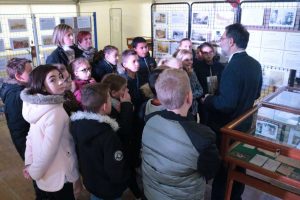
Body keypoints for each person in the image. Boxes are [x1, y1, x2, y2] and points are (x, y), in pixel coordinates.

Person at [202, 23, 263, 200]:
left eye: (221, 38)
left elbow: (225, 104)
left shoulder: (232, 67)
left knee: (224, 169)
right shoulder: (255, 64)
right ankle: (236, 196)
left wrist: (208, 100)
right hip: (244, 124)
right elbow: (257, 93)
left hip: (228, 127)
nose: (219, 42)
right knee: (240, 163)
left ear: (231, 41)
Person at [141, 68, 220, 200]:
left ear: (160, 97)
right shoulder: (202, 137)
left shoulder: (150, 120)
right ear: (189, 97)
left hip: (151, 193)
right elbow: (210, 172)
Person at [21, 65, 80, 199]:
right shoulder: (55, 112)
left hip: (44, 171)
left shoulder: (34, 106)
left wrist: (30, 164)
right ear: (42, 86)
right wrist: (34, 171)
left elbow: (29, 138)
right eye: (52, 80)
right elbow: (49, 150)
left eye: (60, 77)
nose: (61, 81)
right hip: (59, 173)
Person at [70, 83, 129, 200]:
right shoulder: (108, 136)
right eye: (109, 99)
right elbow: (115, 169)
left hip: (92, 184)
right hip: (110, 189)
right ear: (105, 106)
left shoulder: (77, 126)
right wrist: (124, 182)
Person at [0, 58, 48, 199]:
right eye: (30, 71)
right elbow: (19, 129)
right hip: (29, 144)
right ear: (19, 76)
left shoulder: (20, 91)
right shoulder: (17, 97)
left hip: (32, 142)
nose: (33, 73)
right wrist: (29, 152)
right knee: (40, 176)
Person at [194, 42, 224, 124]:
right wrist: (200, 98)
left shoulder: (220, 66)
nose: (208, 55)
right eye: (205, 53)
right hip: (202, 100)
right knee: (204, 122)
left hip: (216, 99)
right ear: (201, 54)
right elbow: (195, 85)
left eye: (210, 52)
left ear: (214, 52)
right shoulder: (197, 67)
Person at [175, 49, 203, 119]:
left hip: (193, 109)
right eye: (186, 60)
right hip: (179, 109)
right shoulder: (175, 74)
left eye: (191, 59)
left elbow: (200, 90)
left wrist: (189, 97)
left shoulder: (192, 73)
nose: (190, 62)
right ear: (180, 60)